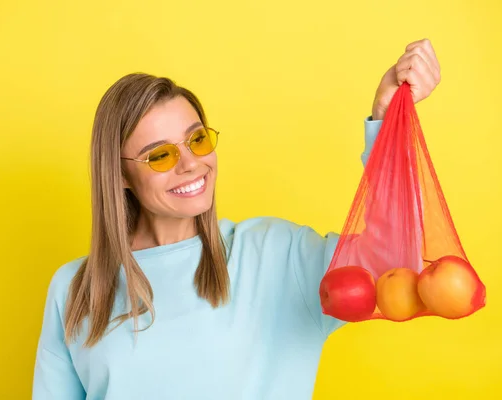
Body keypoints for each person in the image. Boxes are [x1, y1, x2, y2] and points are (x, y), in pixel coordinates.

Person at [32, 38, 441, 399]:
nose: (191, 165)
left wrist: (387, 122)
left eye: (197, 139)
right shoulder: (74, 290)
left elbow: (395, 263)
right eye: (160, 154)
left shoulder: (276, 255)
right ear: (119, 174)